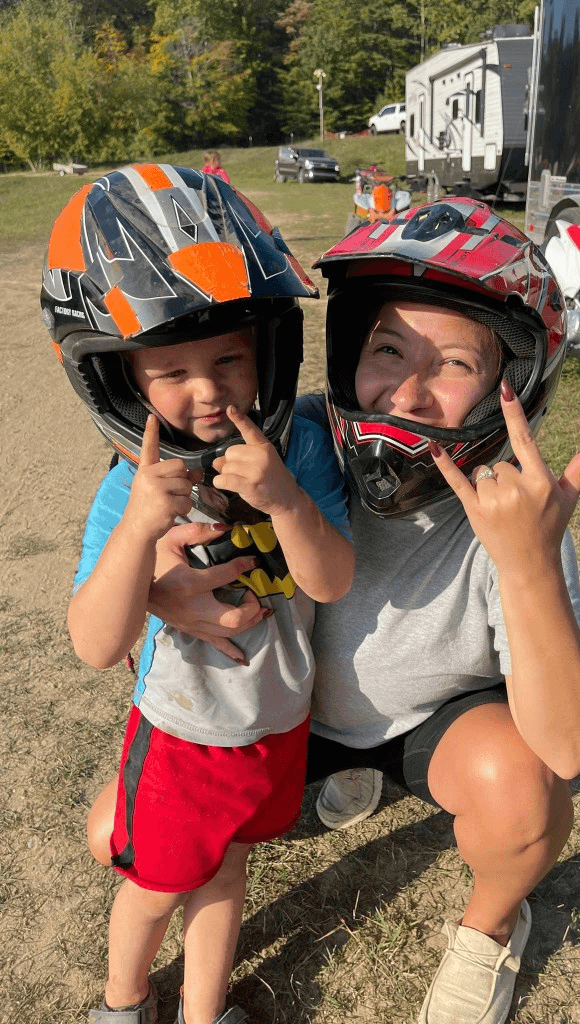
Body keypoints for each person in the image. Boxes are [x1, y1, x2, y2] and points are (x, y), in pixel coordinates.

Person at [90, 197, 580, 1024]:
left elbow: (570, 746)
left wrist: (527, 566)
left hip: (431, 720)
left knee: (523, 793)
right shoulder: (286, 444)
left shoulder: (511, 509)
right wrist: (158, 591)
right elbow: (129, 562)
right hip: (285, 725)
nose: (406, 390)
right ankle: (338, 787)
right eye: (387, 349)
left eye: (452, 364)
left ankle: (491, 928)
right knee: (110, 837)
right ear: (345, 351)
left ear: (508, 383)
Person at [42, 163, 354, 1024]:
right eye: (171, 369)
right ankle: (121, 1004)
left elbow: (331, 577)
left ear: (270, 349)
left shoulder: (303, 454)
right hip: (183, 735)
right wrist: (141, 529)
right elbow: (96, 644)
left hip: (275, 721)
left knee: (226, 873)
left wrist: (285, 496)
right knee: (153, 889)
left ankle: (204, 1011)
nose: (208, 389)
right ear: (120, 378)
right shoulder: (129, 487)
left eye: (228, 357)